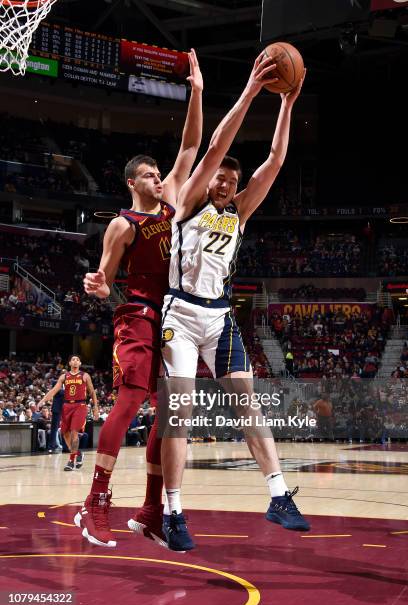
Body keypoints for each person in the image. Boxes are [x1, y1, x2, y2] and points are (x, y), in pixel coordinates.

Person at [159, 52, 309, 551]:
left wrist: (286, 103)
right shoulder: (190, 202)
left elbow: (276, 161)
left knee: (249, 405)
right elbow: (214, 147)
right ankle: (173, 510)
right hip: (179, 313)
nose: (223, 180)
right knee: (178, 412)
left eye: (229, 177)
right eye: (218, 175)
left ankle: (278, 493)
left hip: (219, 317)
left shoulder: (240, 211)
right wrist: (249, 92)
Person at [74, 50, 203, 548]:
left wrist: (196, 91)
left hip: (174, 317)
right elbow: (105, 279)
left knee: (169, 414)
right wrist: (98, 285)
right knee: (129, 401)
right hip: (138, 315)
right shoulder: (123, 224)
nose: (158, 178)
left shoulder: (169, 205)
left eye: (157, 174)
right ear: (132, 183)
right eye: (148, 175)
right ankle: (95, 502)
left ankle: (150, 510)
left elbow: (191, 144)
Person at [36, 355, 99, 470]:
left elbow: (92, 392)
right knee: (64, 432)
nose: (75, 361)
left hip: (80, 405)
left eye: (77, 360)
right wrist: (42, 401)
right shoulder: (64, 376)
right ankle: (78, 454)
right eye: (73, 359)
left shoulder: (85, 376)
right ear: (70, 363)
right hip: (66, 405)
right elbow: (54, 390)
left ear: (80, 363)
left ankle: (71, 460)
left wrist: (96, 408)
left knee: (74, 432)